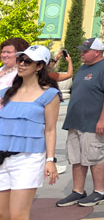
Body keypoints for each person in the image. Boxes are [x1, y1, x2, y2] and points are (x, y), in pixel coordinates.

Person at [55, 38, 104, 208]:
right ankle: (78, 191)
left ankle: (99, 192)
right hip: (76, 121)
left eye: (85, 51)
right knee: (76, 158)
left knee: (93, 156)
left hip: (93, 122)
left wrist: (103, 118)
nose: (82, 54)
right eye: (82, 50)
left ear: (97, 52)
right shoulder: (84, 68)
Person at [0, 45, 60, 220]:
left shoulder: (50, 95)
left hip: (28, 159)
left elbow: (50, 129)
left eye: (28, 61)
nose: (22, 64)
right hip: (2, 158)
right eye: (20, 60)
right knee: (2, 214)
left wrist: (50, 160)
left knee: (18, 215)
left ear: (39, 66)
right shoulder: (5, 94)